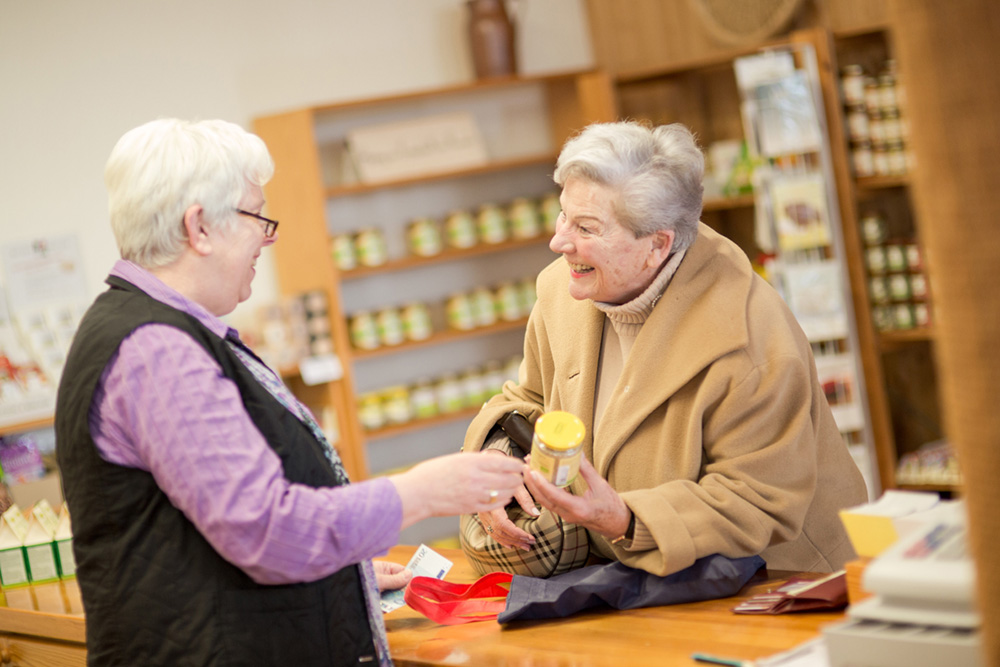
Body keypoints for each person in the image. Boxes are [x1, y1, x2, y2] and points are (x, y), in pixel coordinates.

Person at [55, 118, 524, 667]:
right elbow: (266, 531)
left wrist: (341, 574)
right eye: (256, 215)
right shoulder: (158, 351)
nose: (268, 236)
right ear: (199, 227)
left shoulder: (160, 332)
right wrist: (421, 492)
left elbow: (211, 533)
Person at [463, 120, 868, 578]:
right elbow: (532, 399)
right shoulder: (563, 290)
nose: (559, 242)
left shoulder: (750, 338)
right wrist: (498, 456)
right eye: (563, 215)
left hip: (780, 585)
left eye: (586, 227)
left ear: (657, 245)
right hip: (646, 581)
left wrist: (621, 517)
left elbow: (754, 497)